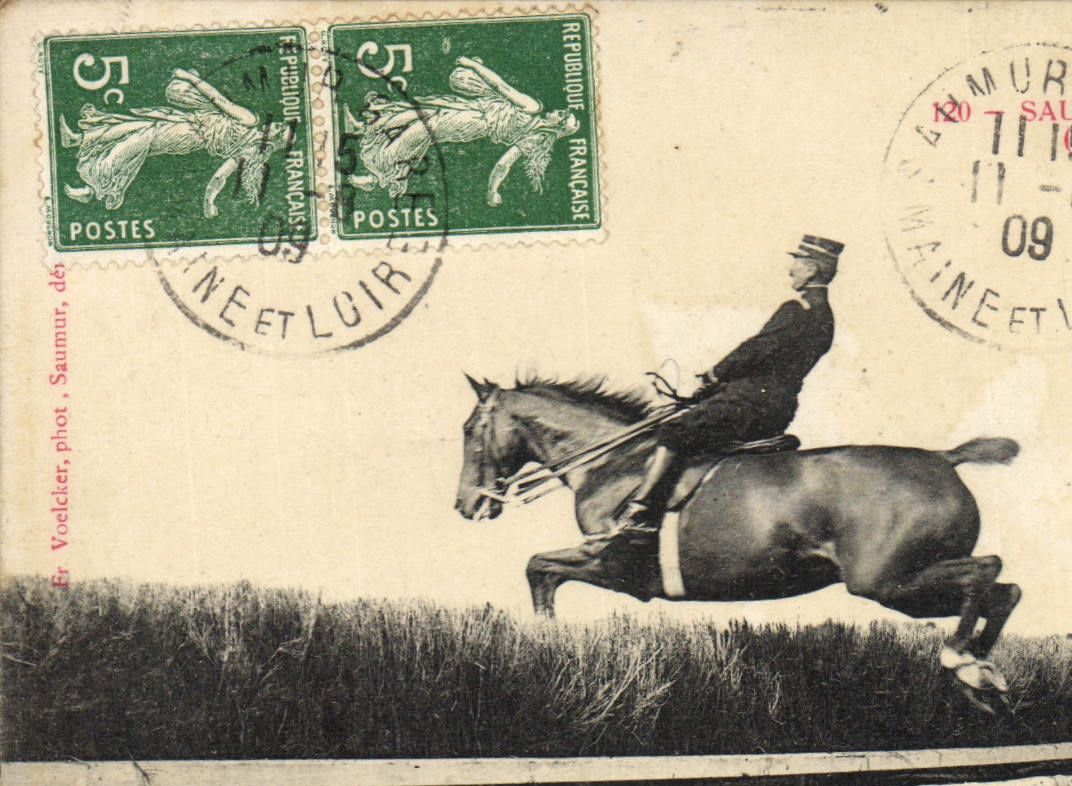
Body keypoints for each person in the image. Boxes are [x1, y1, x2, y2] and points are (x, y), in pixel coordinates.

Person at [591, 235, 844, 551]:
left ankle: (639, 512)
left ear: (811, 269)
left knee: (673, 431)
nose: (789, 269)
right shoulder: (825, 317)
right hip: (776, 405)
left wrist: (715, 374)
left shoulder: (797, 308)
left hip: (749, 403)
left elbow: (757, 349)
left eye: (796, 263)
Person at [343, 56, 579, 205]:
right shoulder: (535, 136)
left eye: (562, 115)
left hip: (474, 120)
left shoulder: (533, 109)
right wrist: (492, 192)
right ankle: (363, 129)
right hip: (471, 111)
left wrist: (472, 65)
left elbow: (502, 87)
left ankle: (377, 174)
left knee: (423, 126)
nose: (558, 110)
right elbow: (504, 164)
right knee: (422, 112)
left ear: (558, 124)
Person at [60, 68, 290, 216]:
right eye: (280, 123)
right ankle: (79, 141)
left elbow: (217, 99)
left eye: (279, 128)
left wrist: (191, 78)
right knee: (137, 126)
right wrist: (209, 203)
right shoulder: (249, 150)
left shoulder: (250, 121)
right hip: (186, 124)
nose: (276, 123)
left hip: (188, 133)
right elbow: (220, 176)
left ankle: (93, 186)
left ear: (275, 138)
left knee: (141, 137)